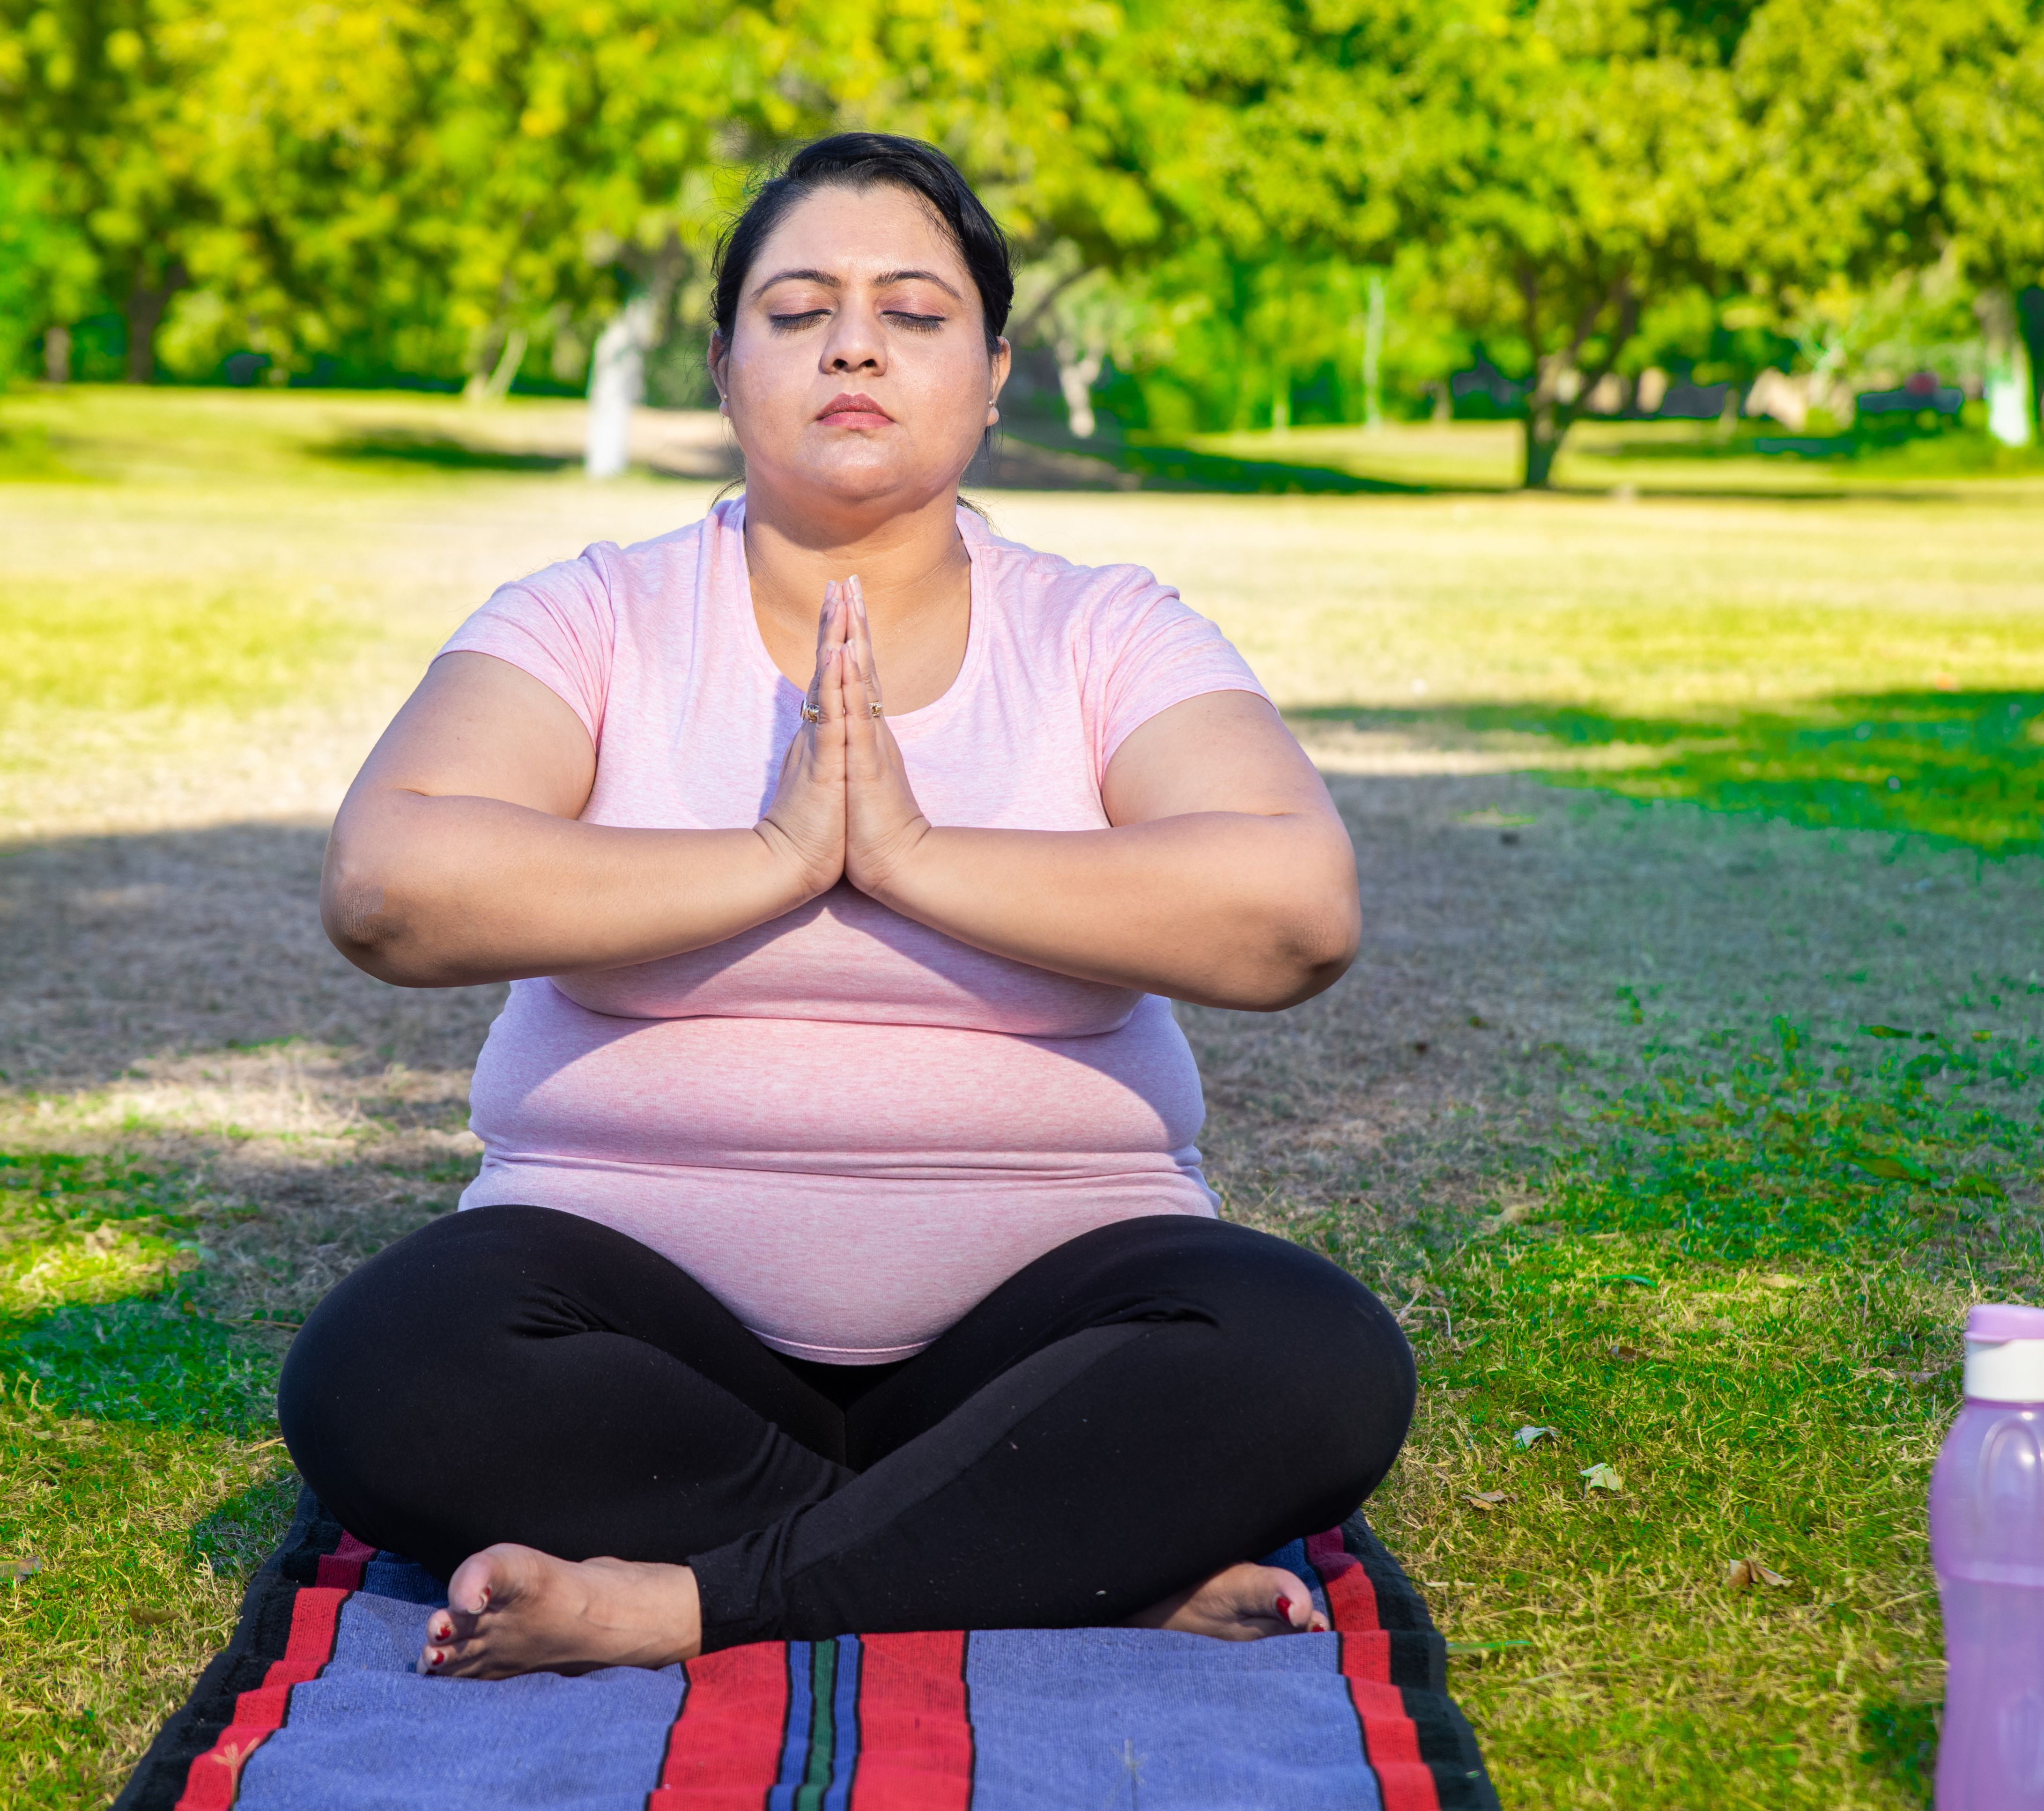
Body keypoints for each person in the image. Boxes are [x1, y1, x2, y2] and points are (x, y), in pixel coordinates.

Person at [284, 132, 1414, 1680]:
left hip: (1042, 1349)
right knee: (389, 1365)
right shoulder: (594, 614)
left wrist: (911, 853)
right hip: (643, 1346)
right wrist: (773, 856)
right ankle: (1050, 1557)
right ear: (726, 368)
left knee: (1309, 1353)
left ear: (995, 373)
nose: (856, 345)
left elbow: (1297, 912)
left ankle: (686, 1601)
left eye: (915, 311)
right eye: (800, 308)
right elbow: (387, 885)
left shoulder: (1103, 630)